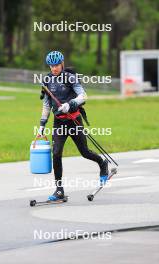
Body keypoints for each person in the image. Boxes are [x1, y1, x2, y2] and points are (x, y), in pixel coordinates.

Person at [38, 50, 109, 201]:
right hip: (59, 122)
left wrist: (70, 104)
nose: (54, 68)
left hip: (74, 120)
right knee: (56, 154)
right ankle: (59, 190)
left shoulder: (70, 78)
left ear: (62, 64)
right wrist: (42, 125)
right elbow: (46, 104)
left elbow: (83, 96)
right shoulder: (47, 81)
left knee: (84, 152)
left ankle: (102, 163)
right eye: (51, 66)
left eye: (56, 65)